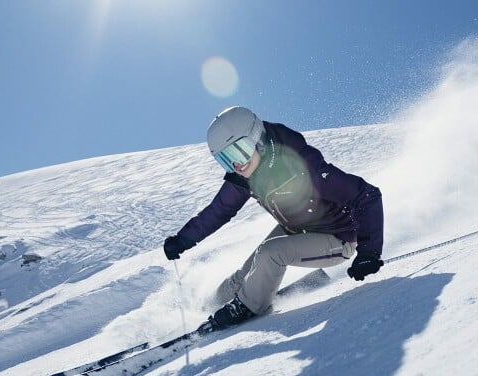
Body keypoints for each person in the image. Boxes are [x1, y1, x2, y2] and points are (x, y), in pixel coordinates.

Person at [163, 106, 384, 332]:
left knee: (270, 254)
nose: (237, 165)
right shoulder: (245, 176)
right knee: (244, 275)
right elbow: (219, 210)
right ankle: (208, 307)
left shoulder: (301, 165)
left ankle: (248, 306)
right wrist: (183, 240)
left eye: (239, 152)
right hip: (298, 228)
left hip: (337, 237)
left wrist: (369, 252)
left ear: (257, 138)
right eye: (226, 159)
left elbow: (367, 195)